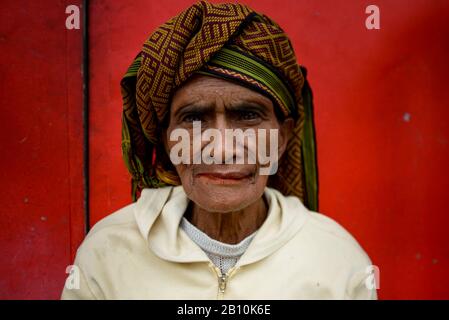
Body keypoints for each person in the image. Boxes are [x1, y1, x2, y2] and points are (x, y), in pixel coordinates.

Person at [61, 1, 377, 300]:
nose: (221, 149)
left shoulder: (338, 260)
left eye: (248, 115)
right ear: (167, 139)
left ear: (283, 137)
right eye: (194, 118)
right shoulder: (107, 253)